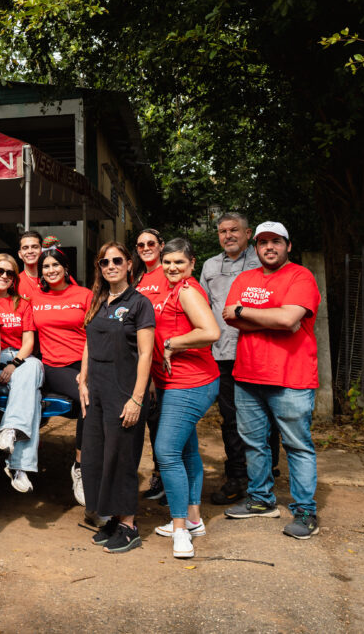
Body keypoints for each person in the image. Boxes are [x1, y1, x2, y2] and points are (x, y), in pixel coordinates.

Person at [222, 222, 322, 540]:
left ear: (287, 246)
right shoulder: (245, 278)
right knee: (254, 442)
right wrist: (272, 318)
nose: (269, 247)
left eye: (276, 242)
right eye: (263, 242)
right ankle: (262, 500)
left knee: (297, 445)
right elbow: (229, 317)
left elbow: (289, 320)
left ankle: (305, 511)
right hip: (248, 375)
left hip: (291, 377)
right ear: (255, 248)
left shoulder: (300, 277)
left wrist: (247, 312)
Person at [78, 242, 155, 553]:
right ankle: (112, 516)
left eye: (117, 260)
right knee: (96, 456)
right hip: (95, 390)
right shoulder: (98, 300)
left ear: (128, 266)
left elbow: (147, 353)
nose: (111, 266)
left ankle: (129, 524)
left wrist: (137, 399)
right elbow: (88, 342)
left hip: (123, 389)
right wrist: (82, 380)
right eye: (104, 261)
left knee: (122, 457)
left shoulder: (139, 303)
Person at [199, 212, 280, 504]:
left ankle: (267, 470)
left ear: (248, 234)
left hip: (259, 351)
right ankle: (235, 476)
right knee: (231, 419)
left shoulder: (263, 262)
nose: (228, 235)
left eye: (234, 230)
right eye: (222, 231)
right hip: (222, 354)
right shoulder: (210, 266)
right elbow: (204, 309)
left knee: (266, 414)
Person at [151, 238, 221, 560]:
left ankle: (180, 531)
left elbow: (210, 331)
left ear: (192, 263)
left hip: (190, 383)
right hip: (176, 382)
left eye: (179, 262)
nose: (172, 267)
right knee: (187, 450)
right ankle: (193, 519)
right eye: (168, 262)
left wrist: (171, 343)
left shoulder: (188, 290)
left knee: (166, 451)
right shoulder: (173, 289)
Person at [31, 248, 94, 506]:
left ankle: (95, 462)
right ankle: (81, 468)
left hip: (86, 361)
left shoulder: (85, 295)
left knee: (101, 398)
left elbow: (95, 334)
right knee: (86, 399)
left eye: (55, 264)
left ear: (66, 267)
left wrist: (87, 371)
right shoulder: (36, 298)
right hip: (54, 365)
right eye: (46, 266)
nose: (51, 270)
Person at [0, 254, 44, 493]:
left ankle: (10, 431)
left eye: (10, 273)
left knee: (33, 366)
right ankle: (20, 466)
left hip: (17, 361)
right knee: (34, 399)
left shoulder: (22, 303)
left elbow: (28, 342)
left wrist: (14, 364)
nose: (4, 276)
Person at [133, 227, 169, 503]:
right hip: (146, 364)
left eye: (150, 243)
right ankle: (160, 476)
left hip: (169, 363)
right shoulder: (139, 278)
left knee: (169, 427)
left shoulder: (169, 274)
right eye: (140, 244)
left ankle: (169, 479)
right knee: (153, 424)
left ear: (161, 245)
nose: (145, 247)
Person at [16, 231, 45, 300]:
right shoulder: (15, 282)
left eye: (35, 247)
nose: (30, 251)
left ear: (42, 251)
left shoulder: (56, 277)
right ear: (20, 254)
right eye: (25, 248)